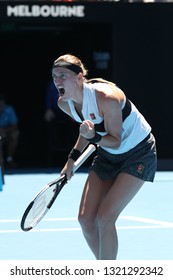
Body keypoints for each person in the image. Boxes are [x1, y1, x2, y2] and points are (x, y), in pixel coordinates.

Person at [51, 54, 157, 260]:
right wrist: (71, 159)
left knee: (105, 217)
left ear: (79, 77)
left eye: (63, 75)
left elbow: (115, 139)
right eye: (54, 76)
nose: (57, 80)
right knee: (85, 220)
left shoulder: (106, 97)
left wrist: (93, 136)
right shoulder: (65, 104)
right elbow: (86, 131)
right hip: (108, 154)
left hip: (139, 152)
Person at [0, 94, 19, 167]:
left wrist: (4, 131)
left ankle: (9, 159)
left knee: (15, 134)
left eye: (1, 103)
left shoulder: (9, 109)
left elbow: (15, 125)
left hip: (6, 133)